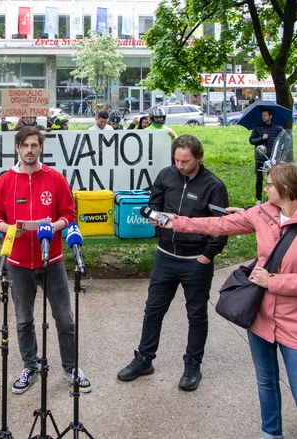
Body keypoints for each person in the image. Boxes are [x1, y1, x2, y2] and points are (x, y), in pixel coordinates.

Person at [160, 163, 297, 439]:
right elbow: (217, 224)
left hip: (296, 320)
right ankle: (271, 433)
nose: (265, 189)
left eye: (269, 185)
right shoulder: (262, 214)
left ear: (286, 188)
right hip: (260, 314)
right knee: (266, 382)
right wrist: (175, 222)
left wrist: (273, 282)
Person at [117, 134, 228, 391]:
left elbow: (221, 226)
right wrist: (154, 217)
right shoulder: (166, 176)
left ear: (199, 158)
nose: (180, 165)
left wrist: (208, 255)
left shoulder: (214, 186)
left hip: (196, 260)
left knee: (196, 314)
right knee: (153, 310)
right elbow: (153, 203)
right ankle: (144, 358)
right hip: (165, 255)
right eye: (177, 160)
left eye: (186, 161)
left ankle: (192, 365)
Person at [0, 127, 91, 394]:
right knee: (23, 321)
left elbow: (69, 213)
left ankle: (70, 367)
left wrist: (55, 226)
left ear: (40, 148)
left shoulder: (55, 178)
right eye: (25, 146)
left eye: (34, 145)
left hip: (52, 260)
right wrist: (6, 228)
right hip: (18, 263)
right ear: (18, 148)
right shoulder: (3, 181)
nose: (30, 150)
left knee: (65, 319)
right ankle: (30, 366)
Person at [248, 108, 283, 204]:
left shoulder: (278, 129)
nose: (263, 117)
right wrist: (261, 138)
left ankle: (275, 196)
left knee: (274, 179)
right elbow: (251, 140)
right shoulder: (257, 128)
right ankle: (258, 198)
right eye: (262, 116)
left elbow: (283, 141)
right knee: (259, 179)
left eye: (265, 115)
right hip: (260, 158)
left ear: (270, 116)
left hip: (273, 159)